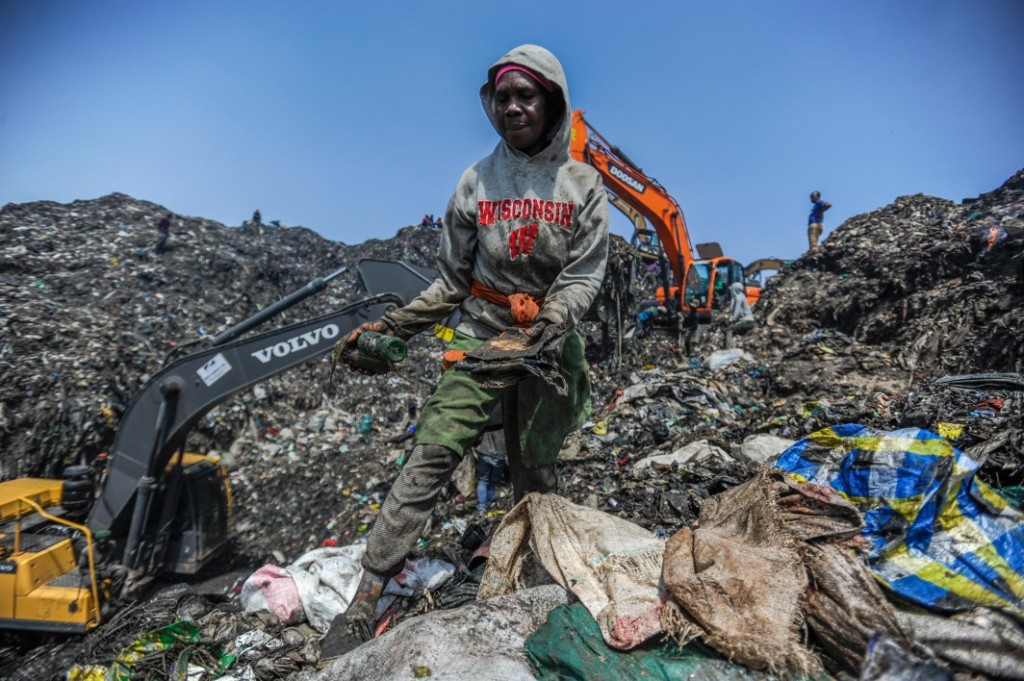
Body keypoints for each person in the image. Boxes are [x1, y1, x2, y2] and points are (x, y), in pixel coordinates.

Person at [336, 44, 609, 646]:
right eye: (504, 97)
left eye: (527, 96)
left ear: (552, 103)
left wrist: (547, 324)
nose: (514, 107)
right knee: (431, 455)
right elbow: (452, 282)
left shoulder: (582, 185)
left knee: (535, 473)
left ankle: (539, 584)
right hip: (481, 341)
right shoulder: (476, 181)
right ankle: (364, 599)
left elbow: (585, 274)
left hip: (545, 349)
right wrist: (396, 326)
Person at [474, 427, 507, 512]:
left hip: (484, 452)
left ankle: (482, 507)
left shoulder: (490, 421)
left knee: (483, 480)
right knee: (492, 482)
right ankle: (488, 505)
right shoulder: (506, 425)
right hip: (499, 456)